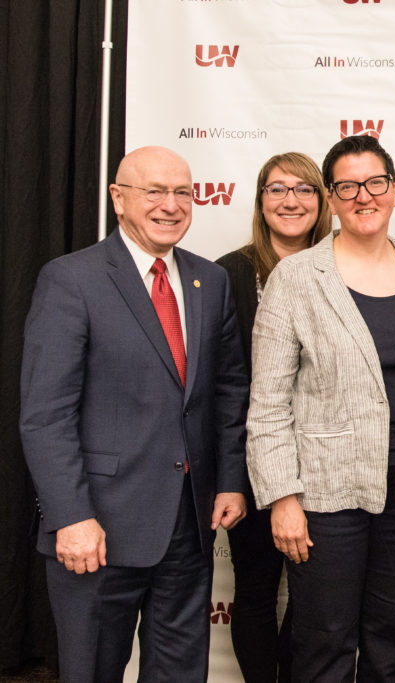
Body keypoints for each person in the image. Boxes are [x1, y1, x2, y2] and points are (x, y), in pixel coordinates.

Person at [19, 146, 249, 682]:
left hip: (188, 528)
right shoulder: (71, 279)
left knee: (179, 673)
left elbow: (229, 391)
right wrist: (70, 517)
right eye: (155, 191)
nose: (171, 205)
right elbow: (45, 415)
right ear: (118, 199)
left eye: (183, 193)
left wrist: (231, 480)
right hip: (97, 531)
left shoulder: (208, 282)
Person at [245, 135, 395, 681]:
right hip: (323, 494)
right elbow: (267, 404)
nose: (365, 195)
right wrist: (283, 498)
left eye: (375, 183)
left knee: (393, 638)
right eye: (347, 186)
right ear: (332, 199)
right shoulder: (295, 279)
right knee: (324, 641)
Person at [216, 152, 332, 682]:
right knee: (258, 589)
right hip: (254, 459)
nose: (291, 201)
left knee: (317, 596)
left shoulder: (344, 265)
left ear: (323, 200)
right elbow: (220, 379)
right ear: (261, 202)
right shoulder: (229, 274)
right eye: (277, 189)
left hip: (327, 463)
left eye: (304, 189)